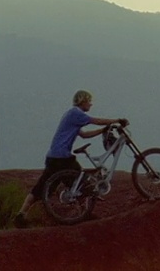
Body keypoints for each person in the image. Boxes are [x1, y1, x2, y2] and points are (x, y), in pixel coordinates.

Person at [14, 90, 129, 228]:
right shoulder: (76, 113)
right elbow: (95, 120)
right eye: (89, 101)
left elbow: (85, 135)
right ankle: (84, 213)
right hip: (62, 157)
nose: (91, 104)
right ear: (83, 101)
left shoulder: (71, 115)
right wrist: (117, 120)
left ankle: (21, 214)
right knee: (81, 183)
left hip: (55, 156)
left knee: (46, 187)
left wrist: (103, 130)